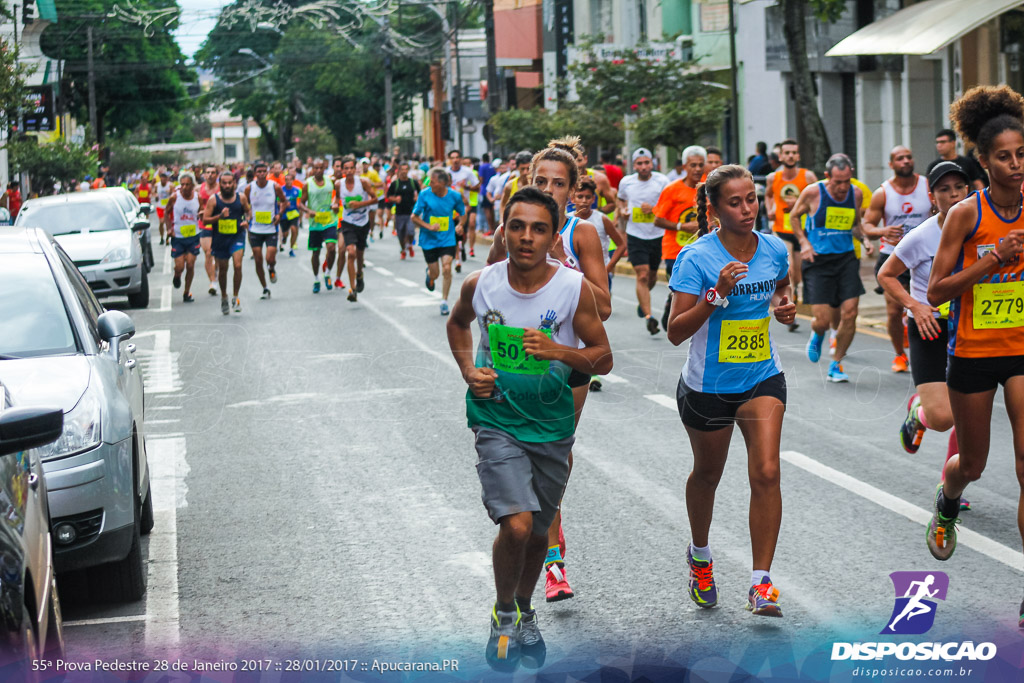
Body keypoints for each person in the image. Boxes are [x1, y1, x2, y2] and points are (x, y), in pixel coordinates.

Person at [447, 187, 612, 672]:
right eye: (517, 226)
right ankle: (503, 615)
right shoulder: (481, 284)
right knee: (516, 523)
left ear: (551, 236)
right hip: (496, 419)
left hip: (551, 423)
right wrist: (467, 370)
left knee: (539, 531)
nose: (526, 237)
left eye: (539, 228)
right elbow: (458, 326)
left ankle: (523, 606)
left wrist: (558, 351)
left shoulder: (570, 289)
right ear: (503, 230)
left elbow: (603, 357)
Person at [665, 164, 797, 617]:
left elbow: (780, 288)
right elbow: (675, 331)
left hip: (762, 376)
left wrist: (783, 307)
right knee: (708, 475)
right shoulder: (696, 258)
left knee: (766, 471)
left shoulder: (774, 248)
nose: (747, 209)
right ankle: (700, 556)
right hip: (708, 386)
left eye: (752, 199)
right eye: (735, 202)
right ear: (715, 209)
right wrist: (716, 294)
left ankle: (761, 583)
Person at [923, 88, 1024, 619]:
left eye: (1022, 153)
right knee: (976, 464)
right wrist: (993, 261)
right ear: (983, 161)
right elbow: (937, 291)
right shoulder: (966, 214)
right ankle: (947, 498)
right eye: (1004, 156)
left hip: (1022, 350)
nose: (1015, 164)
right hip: (974, 353)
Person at [878, 161, 969, 507]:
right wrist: (914, 307)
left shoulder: (979, 229)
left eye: (958, 187)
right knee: (944, 418)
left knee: (967, 409)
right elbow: (887, 275)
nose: (952, 194)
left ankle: (953, 486)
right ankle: (919, 410)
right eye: (944, 190)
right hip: (928, 326)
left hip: (968, 328)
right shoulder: (922, 235)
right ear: (933, 198)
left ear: (968, 191)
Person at [788, 154, 873, 383]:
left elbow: (854, 225)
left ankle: (836, 363)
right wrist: (804, 243)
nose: (843, 187)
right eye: (838, 182)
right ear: (827, 177)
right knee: (823, 320)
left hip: (845, 258)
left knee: (851, 313)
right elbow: (794, 216)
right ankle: (818, 334)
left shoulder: (855, 194)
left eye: (847, 180)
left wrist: (864, 239)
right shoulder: (813, 193)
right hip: (818, 261)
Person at [863, 146, 933, 373]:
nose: (905, 161)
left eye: (909, 157)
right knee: (893, 310)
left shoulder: (927, 186)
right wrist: (883, 231)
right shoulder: (882, 193)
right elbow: (867, 226)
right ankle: (899, 354)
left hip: (925, 256)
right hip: (893, 256)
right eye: (899, 158)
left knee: (929, 305)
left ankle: (929, 350)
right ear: (891, 164)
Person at [571, 176, 626, 392]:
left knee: (594, 320)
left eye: (588, 197)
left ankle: (592, 369)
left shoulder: (601, 219)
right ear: (572, 197)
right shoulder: (568, 221)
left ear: (594, 199)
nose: (584, 201)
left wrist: (608, 267)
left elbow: (621, 244)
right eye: (580, 197)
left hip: (598, 279)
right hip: (575, 280)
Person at [618, 147, 670, 334]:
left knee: (653, 276)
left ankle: (643, 301)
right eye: (639, 163)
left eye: (646, 162)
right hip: (635, 234)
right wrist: (623, 211)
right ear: (634, 166)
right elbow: (621, 200)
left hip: (657, 234)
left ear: (652, 163)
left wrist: (654, 209)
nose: (643, 166)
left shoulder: (662, 181)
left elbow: (668, 204)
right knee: (642, 275)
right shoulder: (627, 182)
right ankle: (649, 317)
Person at [654, 145, 705, 331]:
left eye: (701, 165)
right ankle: (672, 309)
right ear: (684, 166)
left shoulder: (710, 188)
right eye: (693, 165)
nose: (697, 169)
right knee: (679, 286)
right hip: (675, 250)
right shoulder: (672, 190)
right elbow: (657, 220)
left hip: (703, 249)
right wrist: (681, 226)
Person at [765, 140, 817, 318]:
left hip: (802, 231)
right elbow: (768, 195)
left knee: (799, 273)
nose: (790, 156)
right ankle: (790, 305)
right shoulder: (773, 177)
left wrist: (800, 204)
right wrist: (770, 208)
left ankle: (795, 292)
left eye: (793, 152)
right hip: (782, 229)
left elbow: (818, 199)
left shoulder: (808, 177)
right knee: (790, 269)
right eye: (786, 153)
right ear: (780, 156)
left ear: (798, 156)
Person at [412, 168, 466, 315]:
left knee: (447, 268)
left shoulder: (454, 196)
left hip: (447, 239)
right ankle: (430, 274)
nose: (430, 184)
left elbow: (462, 213)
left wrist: (460, 224)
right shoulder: (425, 194)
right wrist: (429, 226)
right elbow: (414, 217)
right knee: (435, 273)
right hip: (428, 240)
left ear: (442, 183)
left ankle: (444, 301)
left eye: (433, 182)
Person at [203, 171, 250, 315]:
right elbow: (205, 220)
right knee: (223, 270)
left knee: (237, 265)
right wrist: (220, 216)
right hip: (220, 239)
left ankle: (235, 297)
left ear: (234, 183)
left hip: (237, 236)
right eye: (224, 183)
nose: (228, 185)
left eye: (230, 183)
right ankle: (224, 296)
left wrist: (246, 220)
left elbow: (248, 211)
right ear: (220, 184)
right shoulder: (213, 200)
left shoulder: (241, 198)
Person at [244, 160, 288, 300]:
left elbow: (285, 202)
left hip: (271, 228)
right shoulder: (249, 188)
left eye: (264, 172)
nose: (262, 174)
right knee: (258, 259)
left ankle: (271, 268)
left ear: (267, 173)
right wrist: (247, 216)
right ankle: (265, 287)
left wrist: (279, 215)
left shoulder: (274, 187)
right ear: (255, 173)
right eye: (259, 172)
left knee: (270, 257)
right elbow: (245, 206)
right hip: (255, 229)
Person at [337, 155, 377, 302]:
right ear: (342, 170)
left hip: (362, 222)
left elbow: (375, 199)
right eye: (345, 168)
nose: (348, 171)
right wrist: (336, 206)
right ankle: (353, 288)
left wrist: (359, 205)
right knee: (351, 252)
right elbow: (337, 202)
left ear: (355, 169)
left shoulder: (363, 183)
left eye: (351, 168)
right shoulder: (338, 184)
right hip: (348, 222)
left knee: (359, 254)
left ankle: (359, 273)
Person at [298, 159, 337, 294]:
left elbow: (337, 196)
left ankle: (328, 273)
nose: (319, 171)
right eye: (316, 168)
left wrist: (335, 204)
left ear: (324, 168)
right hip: (315, 224)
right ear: (312, 169)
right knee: (316, 252)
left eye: (321, 168)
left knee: (331, 248)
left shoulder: (330, 181)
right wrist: (309, 211)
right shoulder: (307, 184)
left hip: (329, 220)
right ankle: (316, 278)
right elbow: (301, 203)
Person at [163, 171, 201, 303]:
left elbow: (202, 212)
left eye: (187, 184)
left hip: (193, 236)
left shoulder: (198, 198)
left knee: (190, 264)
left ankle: (186, 292)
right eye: (182, 184)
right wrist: (169, 228)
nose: (184, 187)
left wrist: (202, 216)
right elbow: (166, 213)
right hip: (178, 237)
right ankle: (177, 275)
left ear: (192, 185)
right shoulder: (174, 197)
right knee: (179, 266)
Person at [386, 161, 420, 260]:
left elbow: (420, 194)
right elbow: (388, 196)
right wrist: (395, 199)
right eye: (402, 169)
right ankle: (403, 249)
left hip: (411, 212)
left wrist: (417, 198)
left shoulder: (413, 182)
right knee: (400, 233)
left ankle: (409, 245)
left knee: (410, 232)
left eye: (406, 169)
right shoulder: (395, 184)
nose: (404, 171)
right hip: (399, 212)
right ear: (399, 170)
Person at [197, 166, 220, 296]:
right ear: (204, 175)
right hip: (204, 224)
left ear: (217, 175)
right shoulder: (198, 189)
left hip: (218, 224)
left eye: (213, 172)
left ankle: (215, 271)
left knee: (217, 256)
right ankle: (213, 282)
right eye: (208, 173)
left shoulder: (221, 189)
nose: (210, 175)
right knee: (208, 253)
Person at [279, 169, 303, 256]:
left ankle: (291, 248)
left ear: (293, 180)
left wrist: (300, 207)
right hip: (284, 214)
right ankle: (284, 238)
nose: (288, 182)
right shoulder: (281, 190)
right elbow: (277, 202)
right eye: (286, 180)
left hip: (294, 213)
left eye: (290, 180)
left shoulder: (297, 190)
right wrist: (283, 203)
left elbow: (300, 202)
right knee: (285, 233)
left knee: (294, 229)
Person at [155, 171, 175, 245]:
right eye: (161, 180)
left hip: (168, 207)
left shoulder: (171, 185)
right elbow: (154, 193)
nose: (163, 181)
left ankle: (167, 238)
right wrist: (156, 196)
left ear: (167, 179)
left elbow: (174, 195)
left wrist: (170, 192)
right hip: (160, 206)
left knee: (168, 223)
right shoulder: (157, 185)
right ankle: (161, 237)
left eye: (164, 180)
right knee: (161, 222)